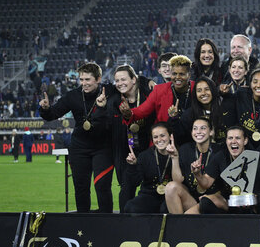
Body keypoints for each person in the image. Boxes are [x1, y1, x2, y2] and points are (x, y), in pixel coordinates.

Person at [39, 62, 114, 213]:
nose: (84, 83)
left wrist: (148, 82)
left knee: (102, 186)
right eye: (81, 79)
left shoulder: (110, 91)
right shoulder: (73, 95)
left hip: (103, 147)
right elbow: (53, 114)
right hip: (79, 148)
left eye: (88, 79)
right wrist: (45, 109)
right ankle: (83, 222)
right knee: (81, 188)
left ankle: (107, 220)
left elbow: (129, 83)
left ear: (98, 79)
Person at [192, 126, 260, 214]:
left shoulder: (253, 157)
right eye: (230, 138)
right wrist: (197, 174)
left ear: (245, 141)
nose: (233, 141)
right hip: (229, 200)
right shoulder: (221, 156)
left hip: (251, 198)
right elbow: (206, 183)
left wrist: (247, 198)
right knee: (205, 202)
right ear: (226, 141)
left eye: (237, 138)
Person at [107, 65, 153, 210]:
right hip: (125, 152)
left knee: (150, 189)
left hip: (147, 150)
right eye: (117, 80)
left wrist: (146, 80)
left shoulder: (147, 94)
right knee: (126, 189)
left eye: (123, 79)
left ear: (133, 80)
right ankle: (125, 220)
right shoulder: (114, 100)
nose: (120, 83)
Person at [164, 117, 219, 214]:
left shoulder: (219, 151)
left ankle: (181, 222)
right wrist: (174, 157)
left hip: (212, 201)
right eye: (195, 128)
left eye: (203, 128)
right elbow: (178, 181)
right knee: (170, 187)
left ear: (211, 132)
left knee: (200, 207)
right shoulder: (185, 149)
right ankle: (179, 222)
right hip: (192, 200)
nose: (198, 132)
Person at [123, 55, 194, 125]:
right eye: (174, 74)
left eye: (182, 74)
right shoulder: (159, 90)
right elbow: (142, 110)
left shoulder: (196, 87)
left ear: (189, 75)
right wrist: (129, 113)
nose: (177, 77)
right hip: (167, 131)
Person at [123, 123, 174, 213]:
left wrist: (175, 158)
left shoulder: (180, 154)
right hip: (150, 196)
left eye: (162, 136)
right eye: (155, 137)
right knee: (130, 207)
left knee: (165, 209)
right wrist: (133, 166)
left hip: (172, 196)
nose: (159, 140)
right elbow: (134, 182)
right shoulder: (145, 156)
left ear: (170, 136)